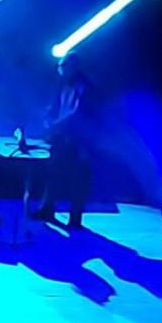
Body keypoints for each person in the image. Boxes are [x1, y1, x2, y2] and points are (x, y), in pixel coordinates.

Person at [31, 52, 99, 229]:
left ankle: (75, 218)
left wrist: (55, 125)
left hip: (80, 139)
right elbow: (55, 105)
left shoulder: (84, 86)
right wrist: (48, 117)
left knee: (78, 178)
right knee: (53, 173)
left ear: (73, 67)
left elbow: (78, 113)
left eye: (64, 68)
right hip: (62, 136)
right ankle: (47, 209)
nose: (61, 72)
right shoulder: (62, 82)